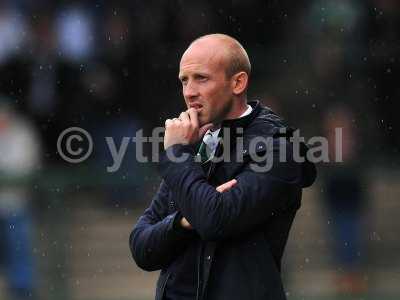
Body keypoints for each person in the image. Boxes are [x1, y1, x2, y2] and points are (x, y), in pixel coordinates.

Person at [129, 34, 317, 300]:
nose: (189, 91)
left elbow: (214, 220)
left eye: (201, 78)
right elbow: (141, 247)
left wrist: (175, 154)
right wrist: (182, 222)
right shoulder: (193, 144)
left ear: (238, 82)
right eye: (184, 80)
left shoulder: (279, 149)